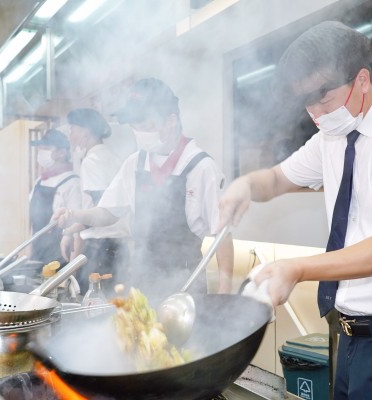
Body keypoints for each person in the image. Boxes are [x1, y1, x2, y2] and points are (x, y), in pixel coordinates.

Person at [218, 21, 372, 400]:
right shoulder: (331, 139)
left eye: (322, 97)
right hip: (352, 336)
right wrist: (244, 185)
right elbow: (275, 180)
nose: (315, 112)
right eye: (305, 102)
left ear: (361, 79)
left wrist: (298, 268)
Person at [55, 78, 234, 305]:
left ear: (171, 121)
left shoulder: (201, 167)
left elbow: (222, 236)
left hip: (187, 287)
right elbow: (108, 212)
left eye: (146, 126)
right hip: (141, 282)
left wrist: (225, 296)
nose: (139, 133)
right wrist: (75, 215)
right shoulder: (135, 163)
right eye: (135, 127)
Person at [62, 107, 129, 293]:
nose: (70, 136)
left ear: (86, 131)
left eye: (72, 129)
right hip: (118, 247)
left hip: (101, 249)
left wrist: (69, 230)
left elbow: (101, 213)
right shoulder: (112, 157)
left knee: (94, 304)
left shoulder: (92, 161)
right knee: (114, 303)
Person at [28, 129, 81, 263]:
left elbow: (77, 229)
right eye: (40, 148)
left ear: (62, 152)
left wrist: (72, 266)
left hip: (60, 255)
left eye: (46, 148)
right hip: (38, 252)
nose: (41, 152)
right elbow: (34, 224)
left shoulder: (73, 183)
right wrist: (31, 253)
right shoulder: (40, 181)